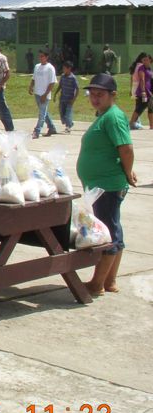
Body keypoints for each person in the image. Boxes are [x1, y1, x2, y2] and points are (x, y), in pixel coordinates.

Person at [77, 74, 137, 296]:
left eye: (100, 95)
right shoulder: (104, 115)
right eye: (92, 95)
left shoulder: (113, 117)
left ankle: (97, 284)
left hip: (108, 186)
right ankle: (109, 281)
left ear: (113, 95)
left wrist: (128, 171)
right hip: (101, 185)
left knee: (107, 233)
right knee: (113, 229)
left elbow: (126, 148)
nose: (95, 99)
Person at [29, 49, 58, 138]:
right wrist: (31, 86)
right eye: (40, 56)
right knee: (44, 112)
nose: (40, 58)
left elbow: (52, 82)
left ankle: (37, 131)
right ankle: (52, 127)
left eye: (42, 56)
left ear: (46, 57)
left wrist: (45, 94)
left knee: (41, 114)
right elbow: (34, 78)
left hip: (44, 94)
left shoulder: (50, 68)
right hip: (37, 93)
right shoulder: (37, 66)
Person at [53, 60, 80, 133]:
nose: (63, 70)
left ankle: (68, 127)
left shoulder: (73, 78)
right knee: (62, 115)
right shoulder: (62, 76)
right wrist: (55, 94)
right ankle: (70, 123)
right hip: (62, 99)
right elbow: (60, 86)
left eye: (65, 68)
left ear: (69, 68)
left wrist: (73, 99)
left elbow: (77, 89)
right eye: (63, 68)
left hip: (69, 99)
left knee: (68, 114)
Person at [127, 53, 151, 131]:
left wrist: (131, 89)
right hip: (141, 89)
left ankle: (136, 123)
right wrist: (143, 91)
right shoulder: (141, 67)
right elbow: (142, 79)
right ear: (142, 59)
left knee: (141, 106)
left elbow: (131, 78)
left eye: (147, 59)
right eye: (144, 59)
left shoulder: (137, 66)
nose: (145, 61)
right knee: (141, 106)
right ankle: (133, 123)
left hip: (139, 88)